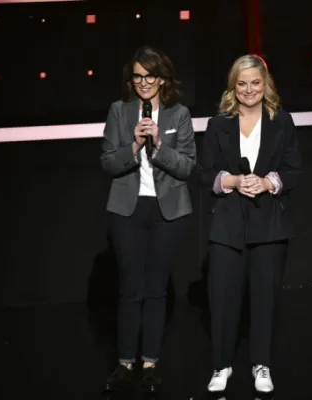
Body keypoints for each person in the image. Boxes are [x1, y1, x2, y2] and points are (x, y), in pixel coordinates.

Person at [198, 54, 302, 393]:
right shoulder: (218, 124)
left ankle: (262, 365)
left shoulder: (282, 121)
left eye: (255, 83)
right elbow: (205, 173)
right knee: (223, 298)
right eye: (241, 84)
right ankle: (221, 365)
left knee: (264, 297)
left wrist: (269, 182)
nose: (248, 90)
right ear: (233, 86)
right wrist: (234, 181)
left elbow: (293, 170)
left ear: (265, 84)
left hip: (269, 222)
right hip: (227, 223)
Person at [99, 45, 196, 393]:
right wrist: (134, 147)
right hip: (127, 210)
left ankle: (151, 362)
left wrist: (157, 144)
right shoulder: (119, 111)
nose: (143, 82)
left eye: (149, 75)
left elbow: (187, 166)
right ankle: (125, 362)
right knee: (130, 290)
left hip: (167, 212)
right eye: (137, 76)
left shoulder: (178, 113)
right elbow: (108, 162)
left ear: (162, 78)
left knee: (156, 291)